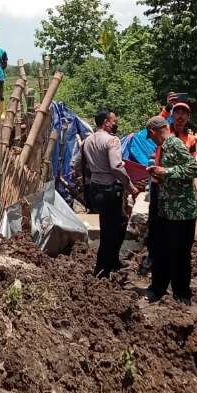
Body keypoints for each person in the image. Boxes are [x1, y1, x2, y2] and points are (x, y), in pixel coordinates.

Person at [144, 116, 197, 305]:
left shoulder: (174, 143)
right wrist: (158, 172)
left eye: (150, 136)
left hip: (183, 211)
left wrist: (165, 172)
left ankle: (182, 294)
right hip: (168, 209)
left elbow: (194, 169)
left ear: (153, 132)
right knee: (163, 250)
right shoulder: (165, 146)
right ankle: (158, 289)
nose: (151, 140)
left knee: (180, 253)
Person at [71, 109, 136, 277]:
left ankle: (113, 261)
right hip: (110, 190)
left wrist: (91, 175)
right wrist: (129, 185)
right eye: (114, 120)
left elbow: (77, 166)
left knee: (119, 223)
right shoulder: (112, 140)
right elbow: (116, 166)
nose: (115, 123)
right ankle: (101, 269)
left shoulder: (87, 141)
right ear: (106, 122)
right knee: (110, 230)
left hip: (95, 190)